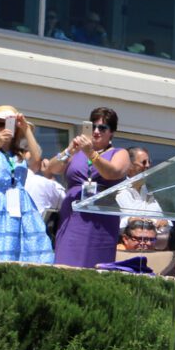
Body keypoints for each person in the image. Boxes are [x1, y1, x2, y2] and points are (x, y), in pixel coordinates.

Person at [52, 107, 130, 268]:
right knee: (66, 262)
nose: (96, 131)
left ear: (112, 132)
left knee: (96, 264)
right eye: (93, 126)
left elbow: (111, 173)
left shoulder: (119, 153)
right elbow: (51, 169)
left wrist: (91, 154)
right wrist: (68, 150)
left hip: (102, 218)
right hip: (73, 215)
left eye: (102, 128)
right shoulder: (76, 152)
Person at [0, 105, 55, 264]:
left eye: (8, 124)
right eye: (0, 123)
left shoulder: (21, 154)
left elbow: (37, 161)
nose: (4, 127)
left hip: (20, 204)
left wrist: (26, 129)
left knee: (25, 247)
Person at [115, 147, 170, 250]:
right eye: (144, 162)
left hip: (152, 249)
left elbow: (165, 221)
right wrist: (129, 220)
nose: (148, 166)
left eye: (149, 162)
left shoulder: (150, 191)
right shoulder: (117, 192)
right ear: (129, 165)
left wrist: (165, 222)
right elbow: (113, 225)